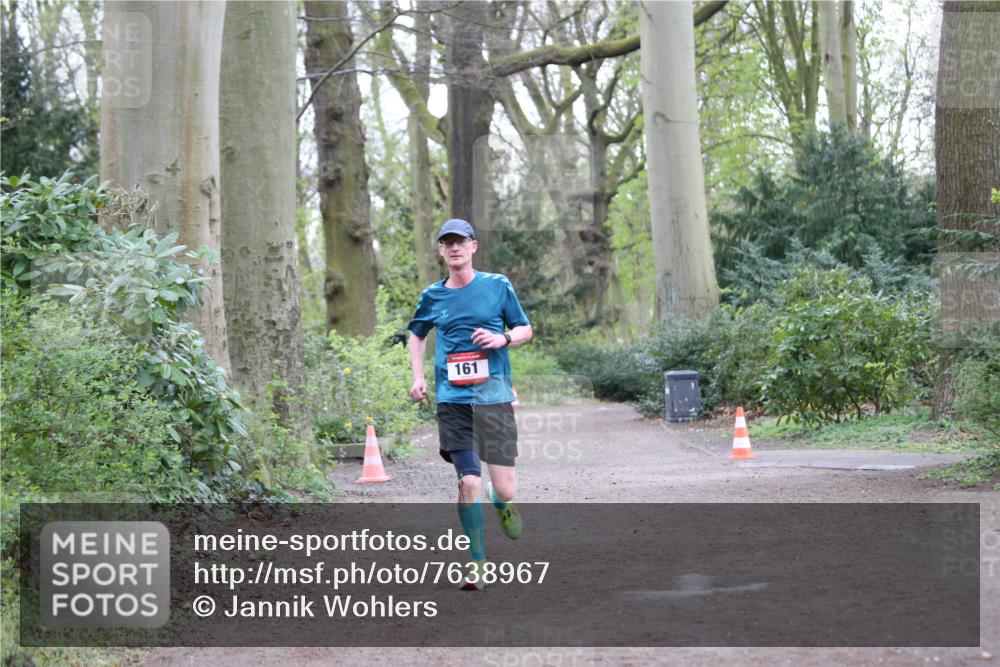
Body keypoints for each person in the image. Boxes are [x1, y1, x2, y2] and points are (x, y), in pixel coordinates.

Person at [407, 218, 533, 591]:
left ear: (473, 246)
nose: (455, 248)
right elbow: (416, 335)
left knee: (504, 487)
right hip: (454, 400)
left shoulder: (497, 286)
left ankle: (502, 502)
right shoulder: (433, 296)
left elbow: (526, 329)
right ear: (441, 251)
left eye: (461, 241)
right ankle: (478, 564)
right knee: (468, 481)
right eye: (447, 243)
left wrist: (503, 339)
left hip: (493, 397)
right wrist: (417, 377)